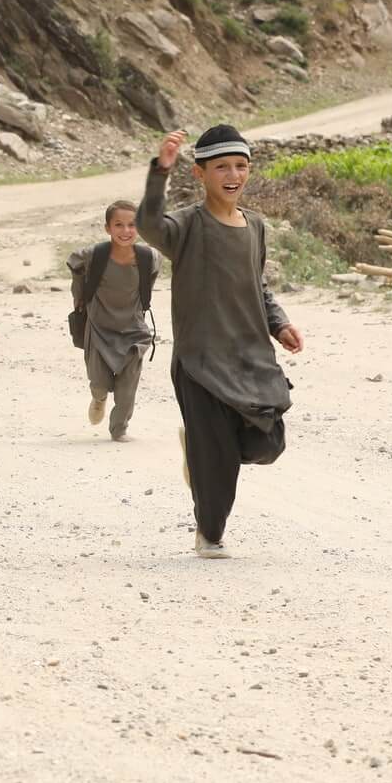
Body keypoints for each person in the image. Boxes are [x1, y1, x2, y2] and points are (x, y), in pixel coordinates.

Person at [137, 126, 303, 558]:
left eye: (241, 166)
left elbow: (258, 284)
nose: (233, 174)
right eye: (222, 167)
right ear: (200, 173)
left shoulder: (256, 226)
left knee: (269, 443)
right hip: (201, 362)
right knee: (220, 466)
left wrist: (278, 324)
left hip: (250, 358)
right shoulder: (186, 226)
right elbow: (148, 225)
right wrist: (160, 171)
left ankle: (201, 455)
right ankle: (209, 534)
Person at [68, 201, 158, 442]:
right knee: (98, 382)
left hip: (134, 331)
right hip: (99, 328)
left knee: (127, 388)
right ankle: (98, 399)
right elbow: (74, 262)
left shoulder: (149, 257)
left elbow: (150, 280)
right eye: (119, 225)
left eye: (132, 225)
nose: (125, 231)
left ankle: (119, 429)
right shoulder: (94, 255)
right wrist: (78, 296)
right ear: (108, 228)